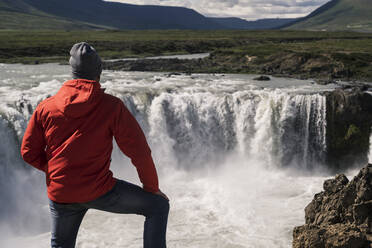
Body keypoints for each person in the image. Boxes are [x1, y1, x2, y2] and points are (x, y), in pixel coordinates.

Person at [21, 42, 169, 248]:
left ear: (72, 72)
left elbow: (28, 152)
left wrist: (53, 169)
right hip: (100, 190)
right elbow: (139, 152)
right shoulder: (112, 106)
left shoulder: (46, 107)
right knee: (158, 206)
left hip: (61, 192)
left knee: (60, 245)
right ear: (98, 71)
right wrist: (152, 188)